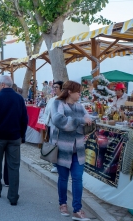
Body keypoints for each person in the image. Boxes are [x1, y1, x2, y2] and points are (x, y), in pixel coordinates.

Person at [51, 81, 92, 220]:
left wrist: (76, 123)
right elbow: (59, 121)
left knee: (77, 179)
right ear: (70, 92)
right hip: (62, 149)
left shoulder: (80, 106)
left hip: (78, 150)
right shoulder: (58, 104)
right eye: (78, 91)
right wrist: (80, 122)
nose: (80, 94)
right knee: (63, 178)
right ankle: (62, 204)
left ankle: (77, 209)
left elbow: (90, 122)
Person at [0, 75, 28, 206]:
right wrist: (22, 135)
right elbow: (24, 119)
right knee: (14, 167)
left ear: (3, 85)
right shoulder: (19, 98)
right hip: (14, 137)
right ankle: (13, 196)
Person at [42, 80, 63, 173]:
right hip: (51, 125)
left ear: (61, 89)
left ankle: (61, 164)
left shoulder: (64, 99)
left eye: (56, 87)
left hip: (60, 127)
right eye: (53, 87)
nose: (54, 89)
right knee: (52, 144)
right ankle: (54, 164)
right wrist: (46, 123)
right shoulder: (52, 99)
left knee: (60, 145)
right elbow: (46, 112)